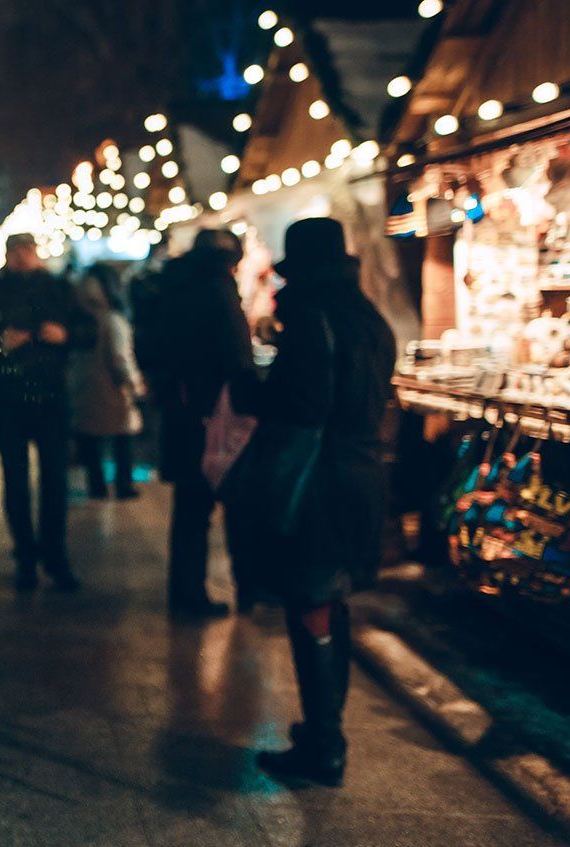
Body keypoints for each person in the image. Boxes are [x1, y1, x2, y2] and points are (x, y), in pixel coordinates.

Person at [242, 218, 395, 787]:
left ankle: (325, 743)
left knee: (312, 602)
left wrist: (251, 389)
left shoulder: (313, 320)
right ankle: (321, 727)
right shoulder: (368, 318)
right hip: (360, 475)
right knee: (331, 601)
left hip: (318, 483)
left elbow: (303, 405)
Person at [133, 230, 253, 618]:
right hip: (214, 413)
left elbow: (150, 345)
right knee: (229, 502)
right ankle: (241, 591)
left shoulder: (169, 284)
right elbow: (236, 352)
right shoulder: (216, 286)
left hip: (180, 409)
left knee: (189, 508)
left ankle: (185, 592)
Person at [0, 233, 93, 591]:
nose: (21, 257)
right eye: (14, 251)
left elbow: (88, 330)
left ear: (35, 253)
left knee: (55, 480)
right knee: (16, 480)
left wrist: (63, 334)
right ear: (7, 255)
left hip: (51, 398)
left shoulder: (58, 289)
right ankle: (25, 555)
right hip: (8, 399)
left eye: (26, 250)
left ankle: (55, 556)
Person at [70, 263, 142, 499]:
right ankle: (123, 484)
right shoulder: (113, 320)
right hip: (112, 386)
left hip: (85, 385)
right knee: (123, 434)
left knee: (91, 436)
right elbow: (121, 357)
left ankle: (97, 484)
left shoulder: (81, 320)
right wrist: (134, 383)